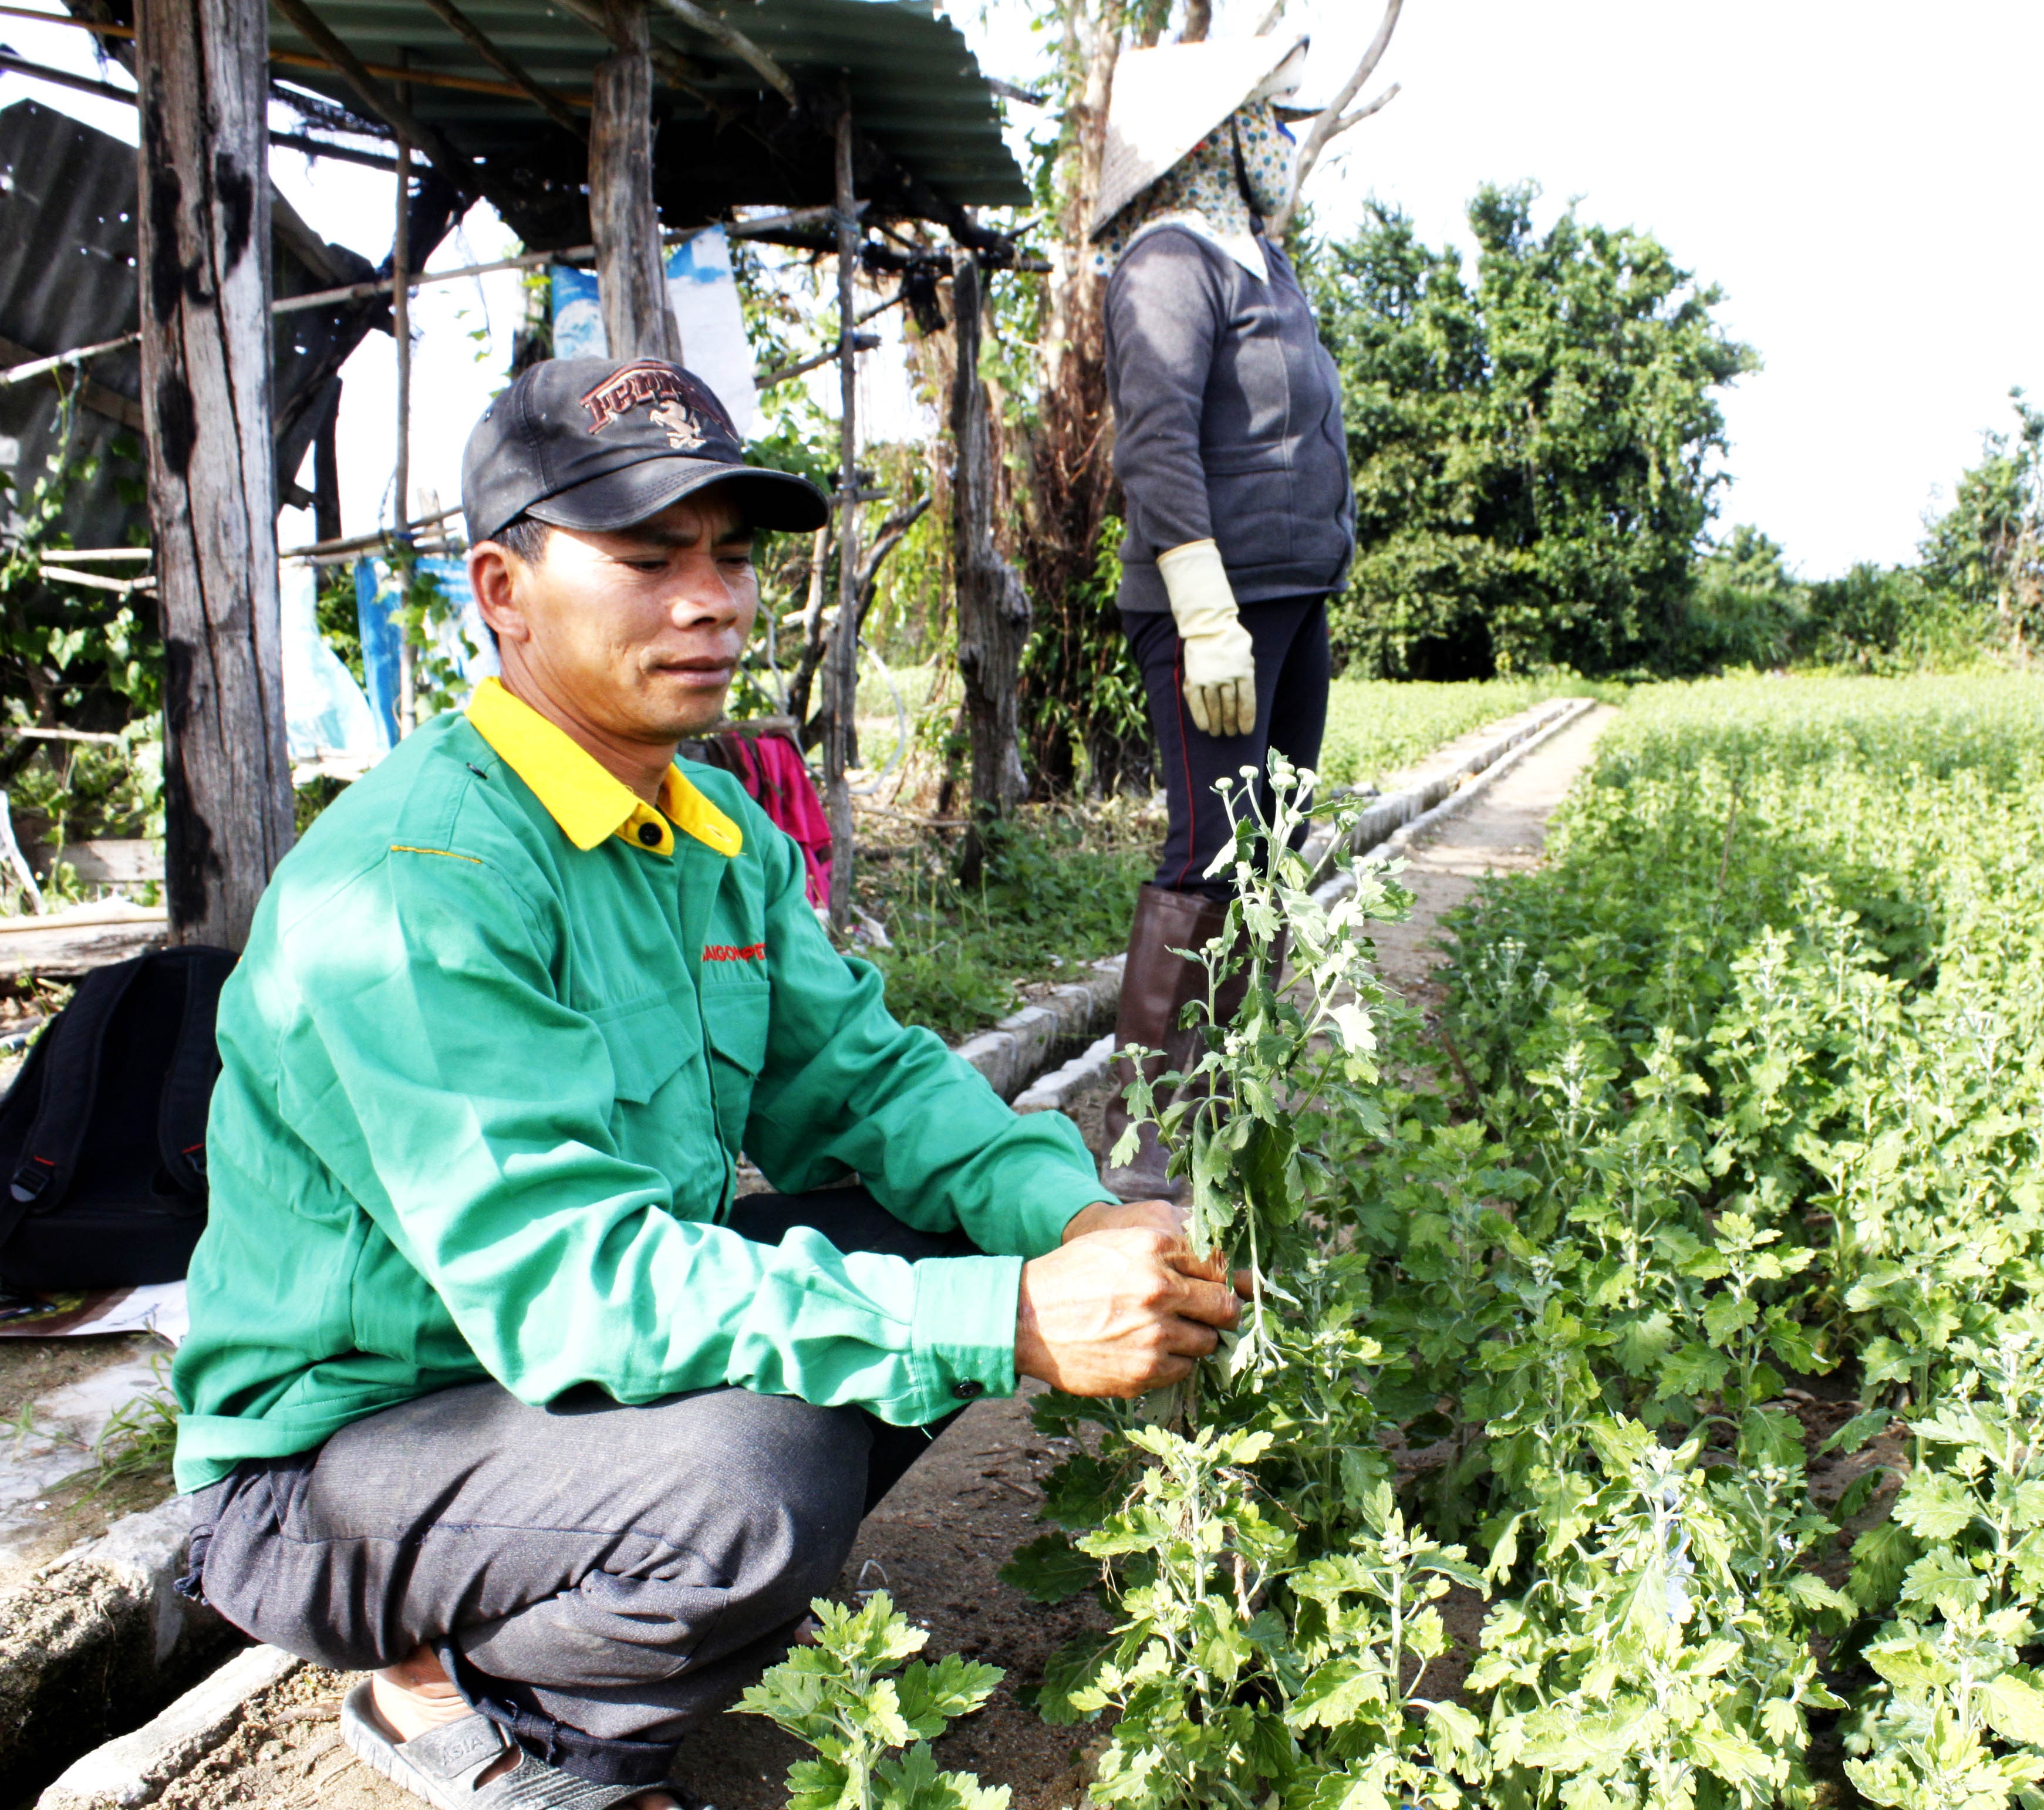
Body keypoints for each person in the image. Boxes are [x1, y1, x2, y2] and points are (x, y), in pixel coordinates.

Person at [169, 356, 1242, 1810]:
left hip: (535, 1393)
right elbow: (570, 1281)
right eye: (648, 556)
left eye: (732, 556)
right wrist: (1006, 1321)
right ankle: (495, 1713)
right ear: (503, 588)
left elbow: (866, 1083)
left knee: (986, 1232)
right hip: (338, 1465)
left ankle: (618, 1569)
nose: (714, 600)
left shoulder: (709, 820)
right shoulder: (418, 883)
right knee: (751, 1482)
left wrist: (1065, 1222)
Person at [1091, 36, 1357, 1201]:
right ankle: (1147, 1138)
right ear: (1214, 135)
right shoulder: (1167, 262)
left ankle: (1228, 1079)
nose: (1282, 141)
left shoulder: (1266, 264)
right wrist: (1204, 610)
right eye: (1267, 119)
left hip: (1294, 599)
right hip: (1215, 610)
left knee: (1271, 848)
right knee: (1208, 847)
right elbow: (1157, 442)